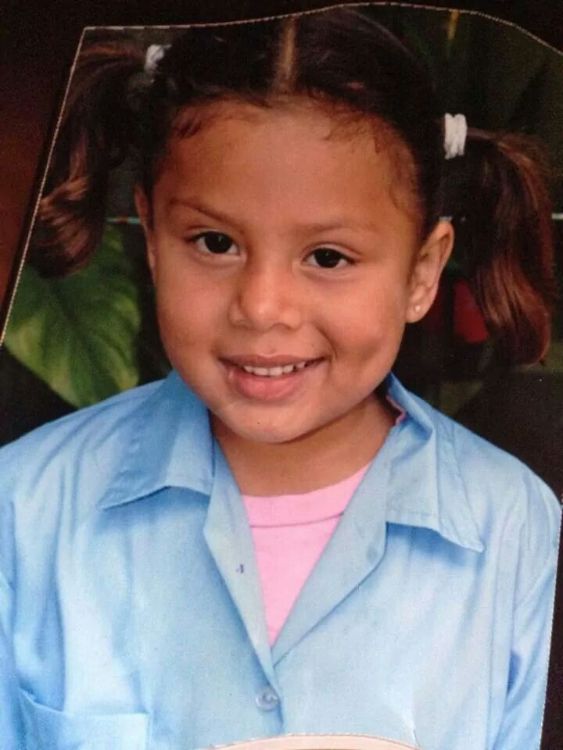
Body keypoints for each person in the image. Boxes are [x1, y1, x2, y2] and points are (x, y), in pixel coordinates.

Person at [0, 7, 560, 750]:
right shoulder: (24, 508)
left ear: (422, 272)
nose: (263, 308)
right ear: (154, 240)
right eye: (215, 242)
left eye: (327, 257)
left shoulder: (514, 528)